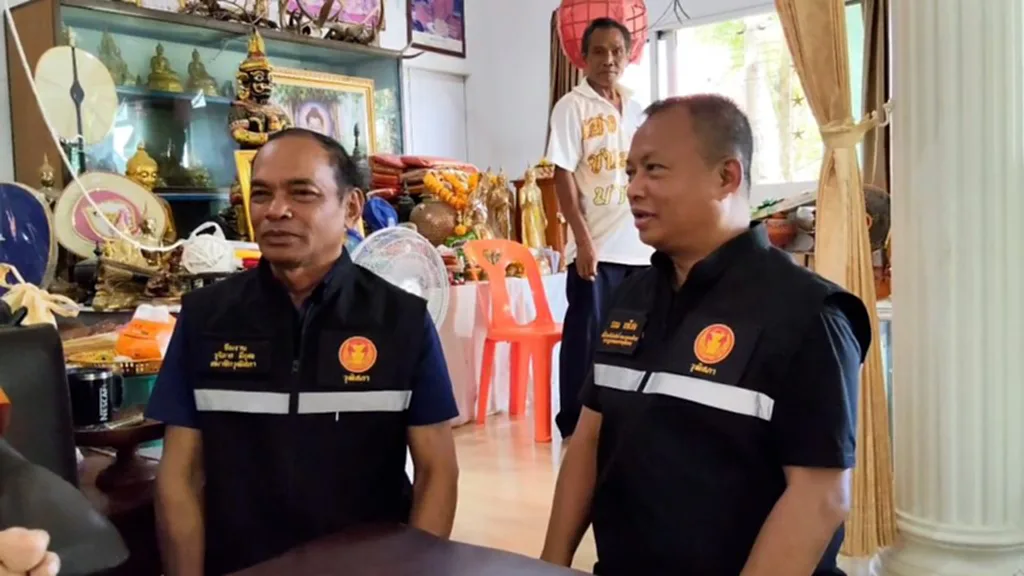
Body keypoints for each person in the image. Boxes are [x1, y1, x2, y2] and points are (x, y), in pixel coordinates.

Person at [541, 95, 872, 576]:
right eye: (630, 172)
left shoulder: (808, 314)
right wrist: (549, 566)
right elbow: (589, 441)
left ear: (726, 177)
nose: (633, 188)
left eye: (654, 169)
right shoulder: (630, 298)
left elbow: (819, 497)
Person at [147, 128, 460, 576]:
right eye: (261, 194)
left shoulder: (401, 321)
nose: (276, 210)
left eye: (302, 193)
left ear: (351, 207)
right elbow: (180, 475)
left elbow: (437, 471)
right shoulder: (205, 318)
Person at [547, 17, 653, 439]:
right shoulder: (572, 107)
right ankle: (574, 424)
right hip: (597, 249)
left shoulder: (638, 107)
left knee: (636, 339)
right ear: (583, 57)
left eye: (617, 51)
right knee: (586, 338)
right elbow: (562, 175)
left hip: (640, 250)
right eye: (599, 51)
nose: (609, 59)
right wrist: (583, 241)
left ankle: (623, 419)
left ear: (627, 56)